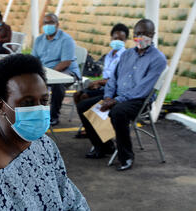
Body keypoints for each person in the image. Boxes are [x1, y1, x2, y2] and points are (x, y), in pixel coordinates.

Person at [0, 54, 90, 210]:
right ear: (1, 106)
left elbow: (69, 197)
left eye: (44, 101)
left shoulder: (44, 144)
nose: (39, 109)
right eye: (27, 102)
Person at [76, 19, 167, 171]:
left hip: (139, 100)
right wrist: (107, 97)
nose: (140, 37)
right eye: (137, 33)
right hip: (118, 95)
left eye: (145, 34)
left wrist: (115, 101)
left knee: (118, 112)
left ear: (152, 35)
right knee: (83, 105)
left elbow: (143, 89)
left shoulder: (158, 59)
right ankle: (103, 146)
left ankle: (126, 156)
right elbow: (113, 78)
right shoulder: (127, 54)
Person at [74, 23, 129, 138]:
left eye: (121, 39)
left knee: (85, 97)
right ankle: (88, 127)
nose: (117, 41)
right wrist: (98, 83)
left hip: (113, 90)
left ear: (125, 40)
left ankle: (94, 130)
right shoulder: (109, 55)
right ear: (111, 38)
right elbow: (106, 77)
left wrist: (98, 82)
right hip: (105, 87)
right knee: (77, 95)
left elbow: (117, 80)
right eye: (115, 38)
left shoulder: (125, 56)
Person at [32, 13, 81, 126]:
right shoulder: (39, 40)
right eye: (45, 23)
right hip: (46, 71)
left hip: (66, 71)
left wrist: (48, 74)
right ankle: (34, 113)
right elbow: (33, 59)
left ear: (57, 24)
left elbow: (65, 62)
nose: (47, 25)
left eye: (51, 23)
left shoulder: (66, 39)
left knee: (58, 84)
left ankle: (53, 116)